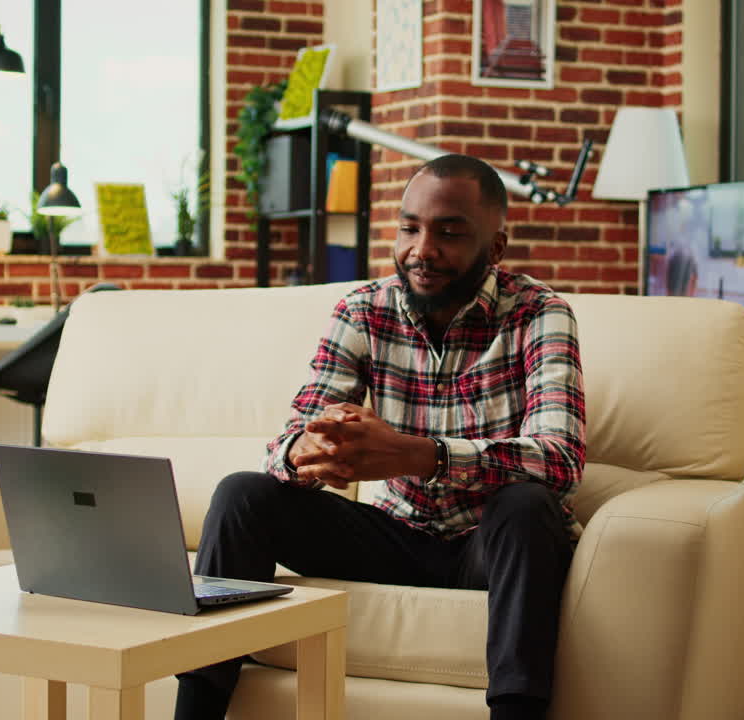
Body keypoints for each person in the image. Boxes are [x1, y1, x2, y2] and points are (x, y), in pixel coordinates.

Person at [174, 154, 586, 720]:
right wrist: (310, 451)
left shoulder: (539, 314)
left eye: (448, 233)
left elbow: (560, 460)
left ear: (495, 248)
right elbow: (291, 436)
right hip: (395, 536)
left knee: (526, 505)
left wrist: (418, 455)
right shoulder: (364, 310)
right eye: (410, 228)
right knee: (243, 495)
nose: (422, 250)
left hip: (488, 545)